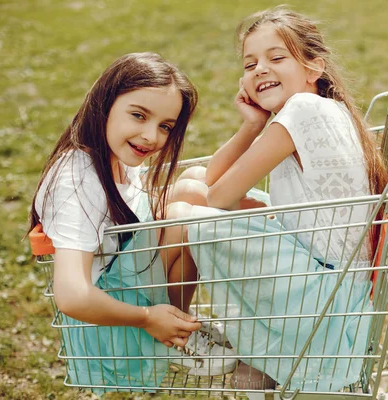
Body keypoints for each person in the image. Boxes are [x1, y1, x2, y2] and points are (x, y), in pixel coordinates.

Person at [181, 6, 388, 392]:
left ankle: (174, 327)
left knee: (188, 204)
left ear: (314, 68)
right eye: (250, 63)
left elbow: (218, 197)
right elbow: (208, 181)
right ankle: (179, 324)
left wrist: (255, 126)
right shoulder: (320, 109)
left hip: (324, 295)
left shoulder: (304, 109)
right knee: (190, 183)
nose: (260, 69)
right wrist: (253, 124)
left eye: (276, 57)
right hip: (324, 282)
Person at [28, 52, 236, 392]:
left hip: (128, 284)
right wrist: (148, 319)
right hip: (111, 329)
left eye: (165, 126)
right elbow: (71, 295)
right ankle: (174, 334)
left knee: (193, 185)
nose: (151, 136)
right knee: (184, 217)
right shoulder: (76, 182)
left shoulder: (114, 157)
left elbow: (197, 187)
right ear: (105, 104)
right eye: (138, 115)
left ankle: (177, 323)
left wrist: (252, 127)